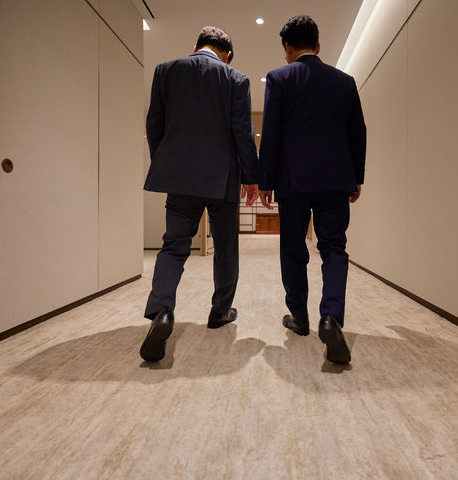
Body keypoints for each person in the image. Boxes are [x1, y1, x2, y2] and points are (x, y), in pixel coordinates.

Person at [140, 26, 259, 362]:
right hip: (222, 179)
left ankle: (162, 310)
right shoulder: (236, 79)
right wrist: (251, 178)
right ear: (227, 55)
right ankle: (220, 312)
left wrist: (166, 162)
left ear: (195, 47)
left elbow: (154, 124)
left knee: (174, 246)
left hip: (180, 177)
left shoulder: (165, 71)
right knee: (226, 248)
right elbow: (242, 133)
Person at [258, 15, 366, 364]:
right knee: (334, 246)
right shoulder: (345, 82)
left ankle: (300, 317)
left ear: (288, 48)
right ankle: (330, 316)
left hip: (293, 180)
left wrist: (266, 180)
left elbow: (271, 132)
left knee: (292, 247)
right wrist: (356, 176)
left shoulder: (279, 78)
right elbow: (357, 132)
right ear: (318, 46)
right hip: (335, 178)